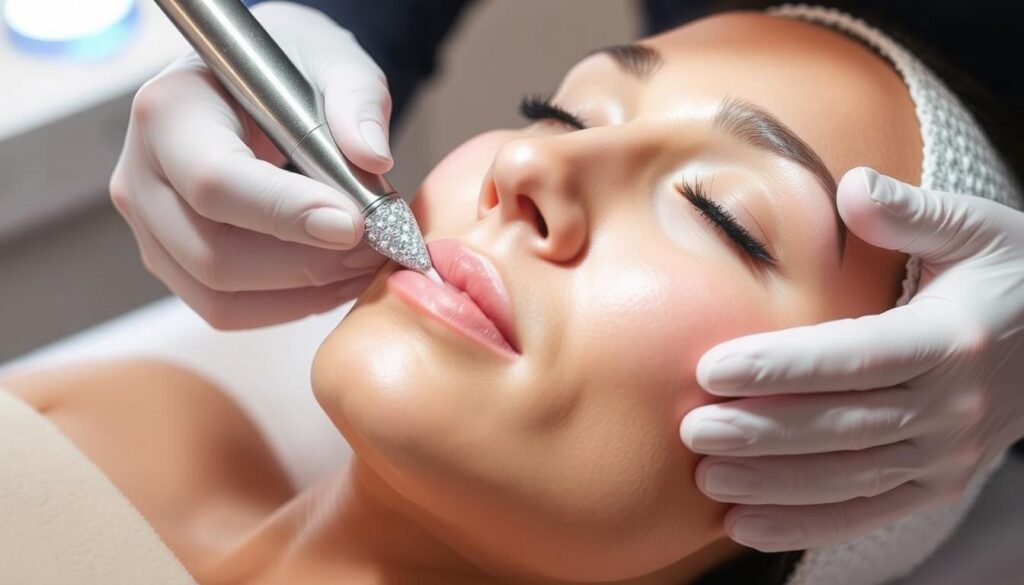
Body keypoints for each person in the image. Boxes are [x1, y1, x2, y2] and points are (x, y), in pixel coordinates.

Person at [108, 0, 1024, 553]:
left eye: (723, 216)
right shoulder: (135, 421)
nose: (531, 171)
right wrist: (316, 20)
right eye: (562, 114)